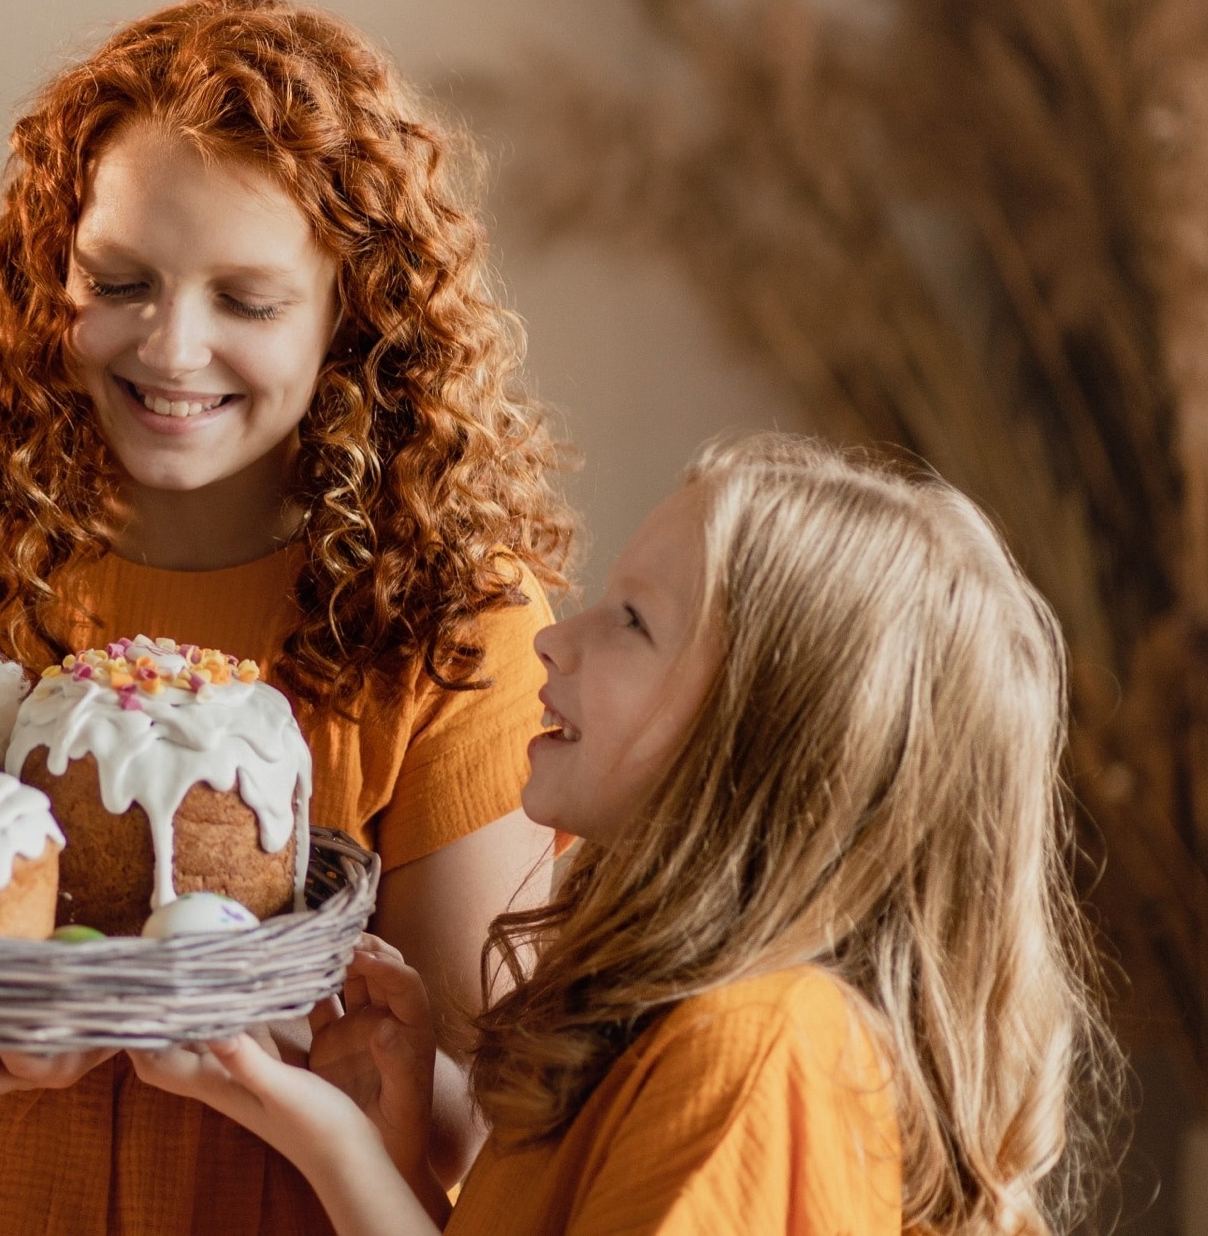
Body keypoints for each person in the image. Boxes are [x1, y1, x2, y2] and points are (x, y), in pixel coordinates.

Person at [0, 0, 577, 1235]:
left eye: (247, 301)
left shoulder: (452, 617)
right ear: (50, 272)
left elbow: (490, 1134)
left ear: (354, 314)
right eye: (120, 281)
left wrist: (287, 1027)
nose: (172, 349)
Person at [134, 435, 1107, 1235]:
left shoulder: (756, 1048)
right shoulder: (648, 1026)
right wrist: (381, 1156)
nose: (554, 638)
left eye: (632, 620)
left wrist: (334, 1146)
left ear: (766, 731)